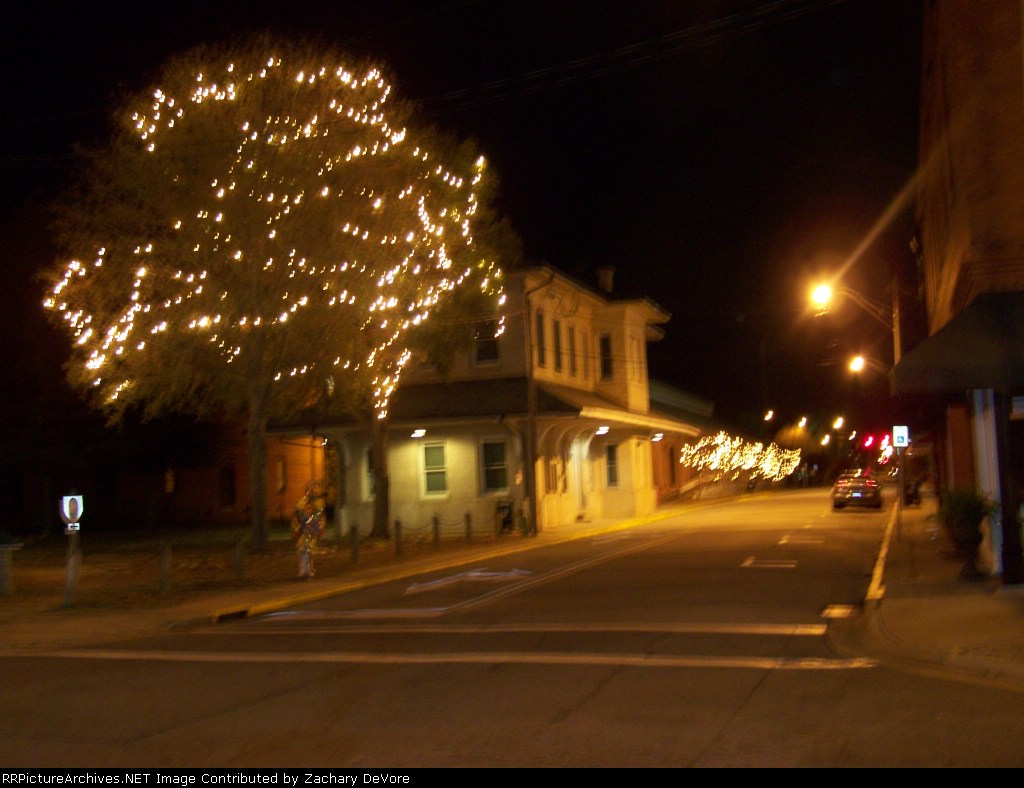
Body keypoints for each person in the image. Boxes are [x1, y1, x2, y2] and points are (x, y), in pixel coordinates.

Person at [292, 481, 325, 578]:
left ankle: (309, 570)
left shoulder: (318, 504)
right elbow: (297, 514)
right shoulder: (302, 502)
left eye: (314, 488)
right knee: (302, 550)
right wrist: (296, 528)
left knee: (309, 551)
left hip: (312, 531)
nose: (312, 490)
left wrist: (320, 528)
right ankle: (303, 570)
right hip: (303, 531)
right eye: (311, 488)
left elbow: (320, 517)